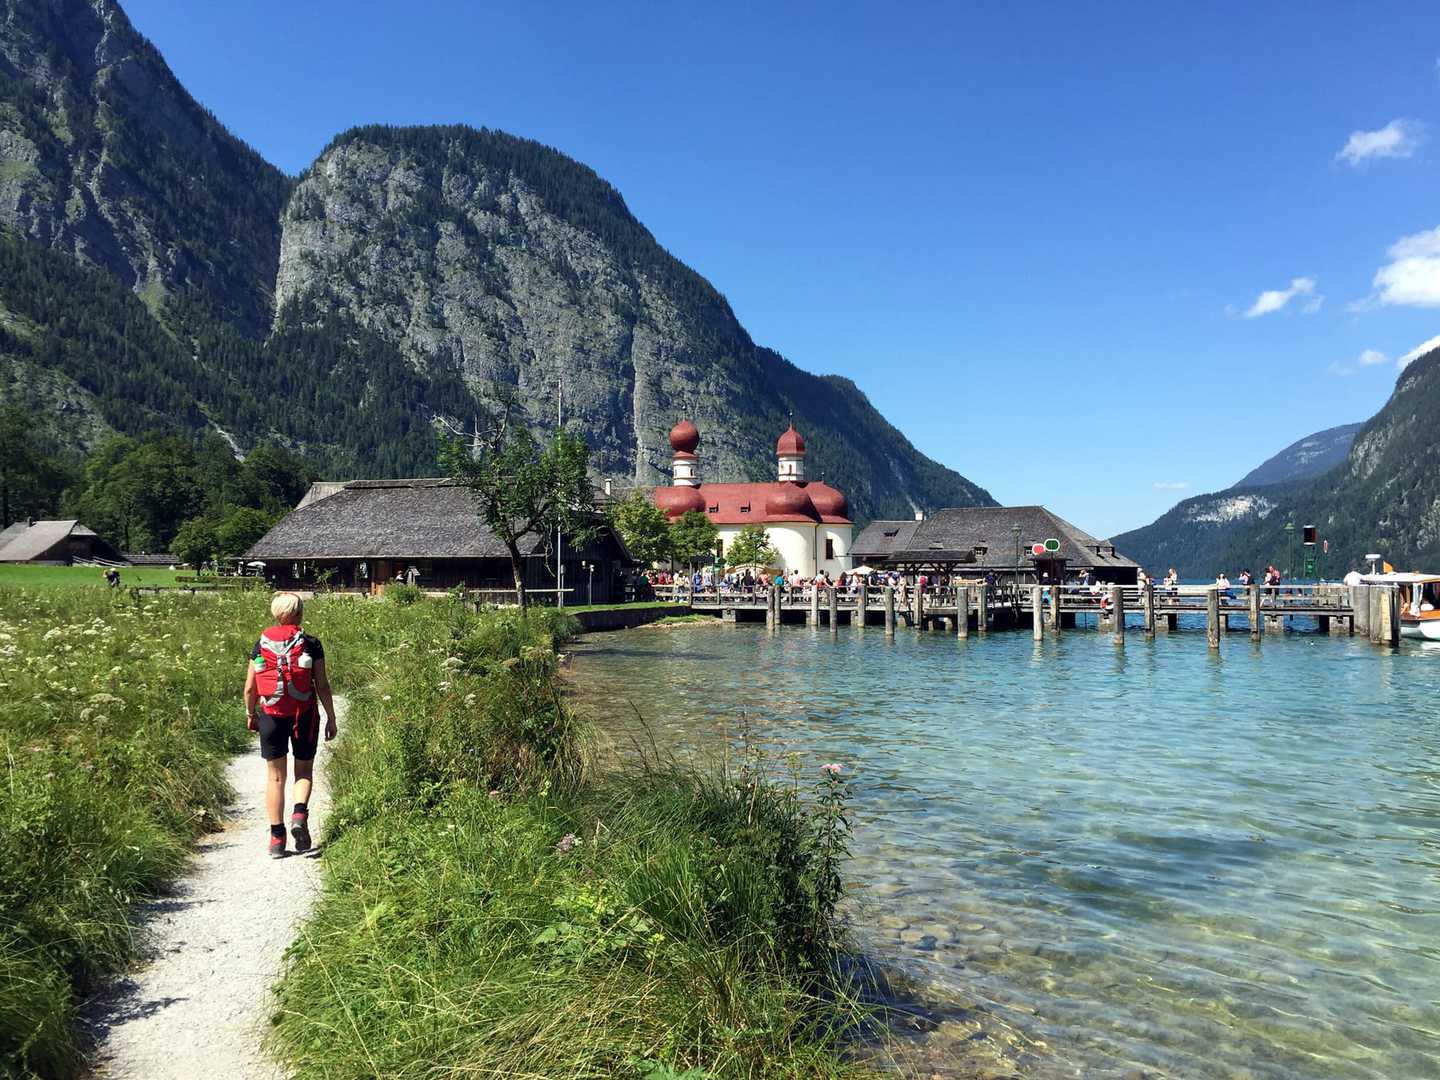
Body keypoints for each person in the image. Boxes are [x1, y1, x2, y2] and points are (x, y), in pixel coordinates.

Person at [244, 593, 337, 859]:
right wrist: (331, 716)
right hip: (304, 714)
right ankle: (299, 814)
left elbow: (251, 687)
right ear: (299, 613)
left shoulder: (260, 644)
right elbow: (322, 685)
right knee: (303, 771)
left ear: (276, 614)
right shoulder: (311, 643)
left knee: (275, 777)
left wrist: (251, 714)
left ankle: (276, 838)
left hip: (271, 715)